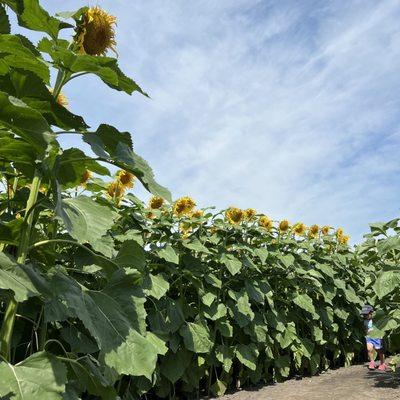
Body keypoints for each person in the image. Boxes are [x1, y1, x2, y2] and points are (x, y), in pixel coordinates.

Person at [360, 305, 387, 371]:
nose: (365, 316)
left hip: (377, 337)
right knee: (369, 349)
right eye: (364, 315)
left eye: (367, 314)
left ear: (371, 313)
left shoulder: (376, 320)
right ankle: (372, 362)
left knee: (379, 351)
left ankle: (382, 363)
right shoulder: (365, 321)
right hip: (369, 337)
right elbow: (365, 328)